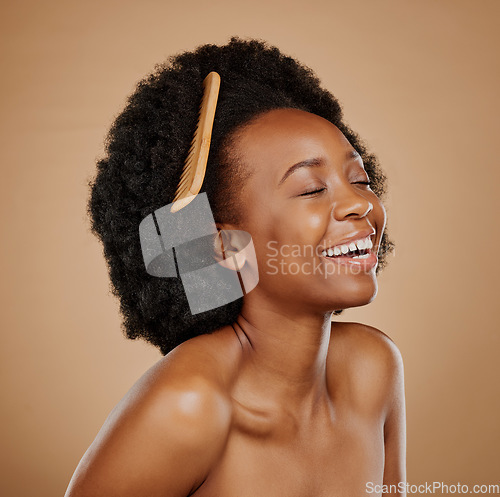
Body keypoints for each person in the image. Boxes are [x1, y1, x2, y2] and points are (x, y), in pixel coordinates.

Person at [65, 37, 405, 496]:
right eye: (310, 189)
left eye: (358, 179)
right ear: (223, 247)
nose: (358, 205)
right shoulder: (188, 404)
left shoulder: (373, 369)